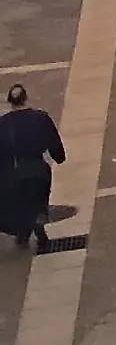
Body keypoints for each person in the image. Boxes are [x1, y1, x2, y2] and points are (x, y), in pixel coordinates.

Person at [0, 82, 63, 251]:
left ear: (9, 102)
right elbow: (54, 142)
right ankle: (39, 230)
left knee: (20, 202)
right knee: (39, 201)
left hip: (14, 171)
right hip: (38, 168)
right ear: (26, 98)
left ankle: (23, 233)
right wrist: (59, 157)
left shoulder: (3, 124)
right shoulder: (40, 118)